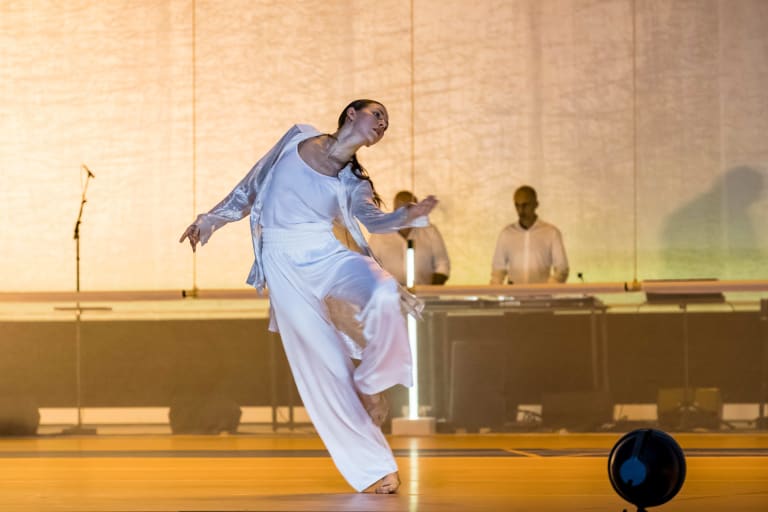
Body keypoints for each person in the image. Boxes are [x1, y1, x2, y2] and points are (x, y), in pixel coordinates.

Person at [179, 99, 437, 494]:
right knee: (325, 370)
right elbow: (251, 186)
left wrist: (408, 216)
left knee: (383, 289)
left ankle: (373, 379)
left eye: (387, 121)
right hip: (283, 265)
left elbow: (373, 220)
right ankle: (375, 468)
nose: (383, 123)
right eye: (377, 114)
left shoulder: (354, 181)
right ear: (351, 114)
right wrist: (211, 219)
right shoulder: (297, 137)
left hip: (327, 254)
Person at [368, 190, 450, 286]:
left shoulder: (430, 231)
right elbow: (369, 267)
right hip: (391, 297)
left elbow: (442, 264)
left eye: (411, 209)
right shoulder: (379, 234)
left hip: (425, 295)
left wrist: (430, 291)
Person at [490, 185, 569, 284]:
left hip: (541, 298)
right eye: (517, 205)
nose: (521, 210)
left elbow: (562, 269)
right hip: (514, 297)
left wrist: (546, 289)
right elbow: (498, 270)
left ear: (536, 204)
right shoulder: (506, 234)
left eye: (525, 205)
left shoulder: (551, 233)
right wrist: (495, 292)